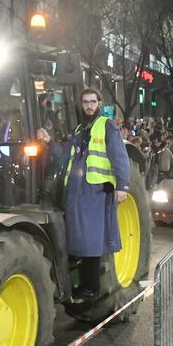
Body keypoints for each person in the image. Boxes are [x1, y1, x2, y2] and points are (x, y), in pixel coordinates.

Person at [37, 88, 131, 301]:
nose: (89, 105)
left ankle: (92, 288)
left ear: (99, 103)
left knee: (90, 241)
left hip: (94, 191)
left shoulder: (106, 126)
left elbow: (120, 157)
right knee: (76, 239)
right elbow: (63, 155)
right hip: (76, 191)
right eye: (85, 102)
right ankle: (76, 283)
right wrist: (48, 141)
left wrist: (122, 187)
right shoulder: (80, 129)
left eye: (92, 102)